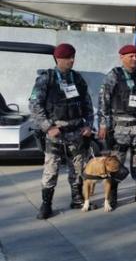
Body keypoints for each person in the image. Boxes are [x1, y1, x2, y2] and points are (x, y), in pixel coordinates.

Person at [29, 43, 94, 219]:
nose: (71, 60)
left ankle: (77, 198)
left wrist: (88, 125)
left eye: (73, 57)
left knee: (78, 168)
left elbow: (87, 104)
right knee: (51, 169)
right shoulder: (46, 79)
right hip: (56, 133)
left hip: (77, 132)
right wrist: (48, 127)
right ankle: (46, 204)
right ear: (58, 59)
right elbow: (34, 105)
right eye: (67, 58)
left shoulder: (77, 79)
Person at [98, 45, 136, 208]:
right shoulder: (113, 76)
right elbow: (104, 102)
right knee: (116, 162)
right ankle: (113, 194)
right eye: (130, 56)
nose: (134, 58)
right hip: (120, 128)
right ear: (121, 57)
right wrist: (103, 124)